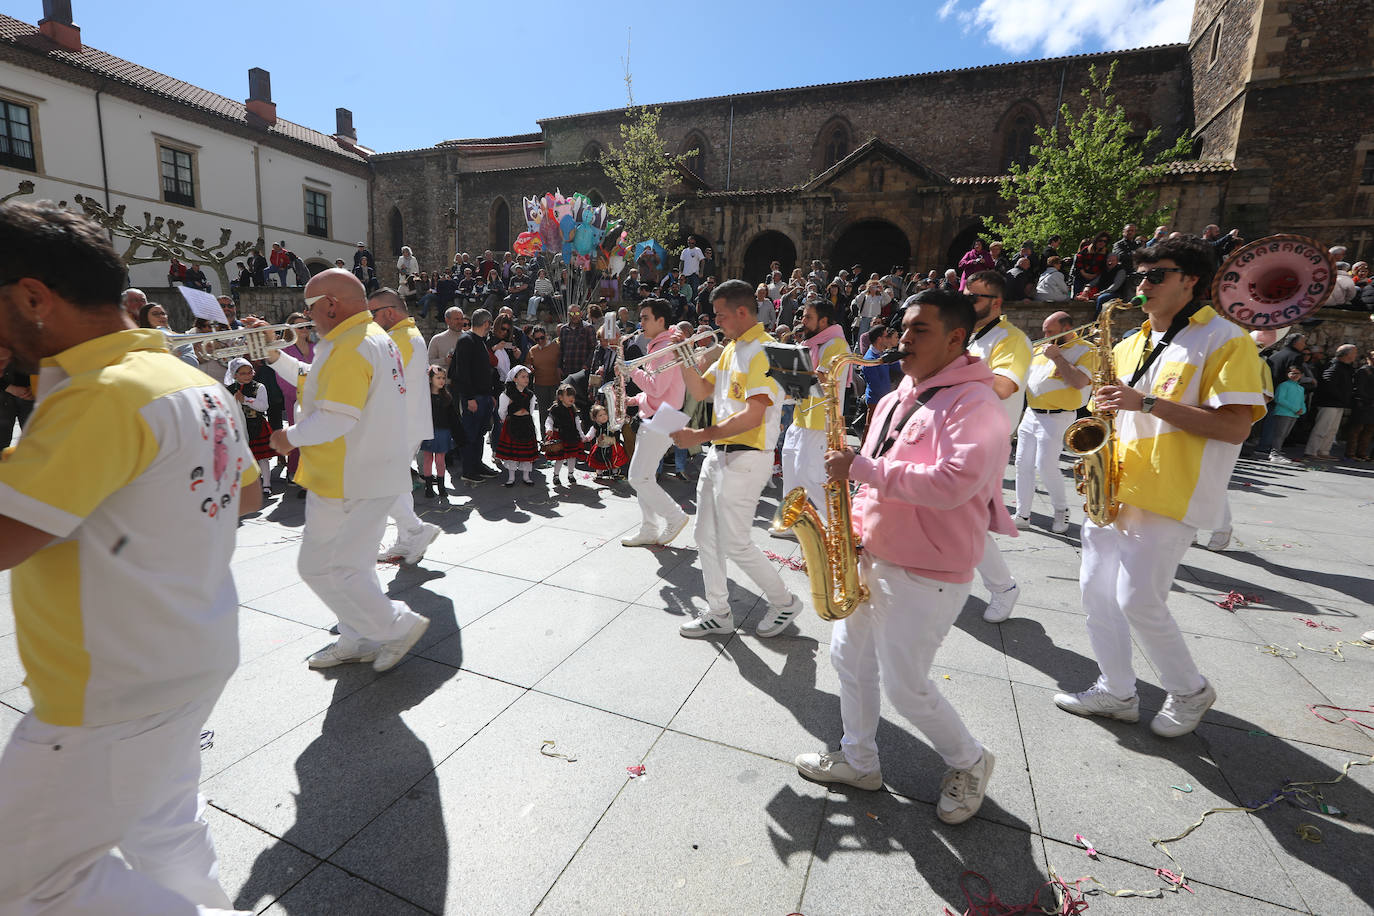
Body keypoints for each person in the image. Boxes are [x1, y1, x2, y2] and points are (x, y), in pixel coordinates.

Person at [0, 200, 260, 914]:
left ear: (32, 297)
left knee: (29, 886)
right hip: (187, 652)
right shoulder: (191, 382)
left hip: (109, 690)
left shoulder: (101, 397)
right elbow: (247, 495)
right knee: (165, 828)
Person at [793, 287, 1009, 825]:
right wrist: (853, 535)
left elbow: (954, 483)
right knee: (849, 660)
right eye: (904, 327)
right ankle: (859, 761)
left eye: (920, 331)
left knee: (907, 687)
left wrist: (860, 470)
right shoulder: (895, 396)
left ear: (957, 339)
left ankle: (971, 760)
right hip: (873, 557)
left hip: (929, 572)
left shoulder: (977, 403)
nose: (904, 338)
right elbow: (870, 479)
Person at [1053, 237, 1266, 737]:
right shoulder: (1131, 342)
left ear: (1191, 279)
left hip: (1171, 491)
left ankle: (1190, 690)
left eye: (1156, 275)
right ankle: (1116, 690)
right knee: (1095, 595)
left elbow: (1236, 426)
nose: (1142, 285)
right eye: (1139, 276)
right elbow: (1109, 404)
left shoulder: (1225, 339)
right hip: (1113, 487)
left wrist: (1144, 403)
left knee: (1138, 601)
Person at [262, 268, 430, 672]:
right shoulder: (371, 339)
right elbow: (313, 379)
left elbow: (338, 417)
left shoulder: (349, 347)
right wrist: (273, 354)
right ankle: (361, 636)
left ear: (331, 305)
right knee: (349, 568)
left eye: (309, 306)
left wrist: (289, 437)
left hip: (348, 476)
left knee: (325, 567)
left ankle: (393, 625)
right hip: (366, 473)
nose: (307, 315)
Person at [670, 279, 801, 639]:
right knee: (705, 535)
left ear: (742, 312)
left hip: (746, 456)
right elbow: (700, 389)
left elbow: (752, 416)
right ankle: (718, 612)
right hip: (720, 454)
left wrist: (698, 436)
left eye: (721, 315)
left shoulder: (762, 350)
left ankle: (785, 601)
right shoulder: (732, 348)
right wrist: (681, 357)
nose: (716, 322)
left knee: (734, 541)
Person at [963, 270, 1031, 623]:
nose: (967, 300)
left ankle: (1004, 587)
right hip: (960, 438)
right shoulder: (971, 338)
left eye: (975, 296)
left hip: (987, 441)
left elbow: (1004, 386)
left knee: (967, 519)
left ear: (996, 303)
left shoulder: (1012, 338)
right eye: (966, 293)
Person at [369, 288, 441, 565]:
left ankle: (414, 531)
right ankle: (407, 542)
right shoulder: (405, 335)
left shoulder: (399, 338)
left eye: (372, 313)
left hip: (399, 425)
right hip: (404, 423)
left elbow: (377, 379)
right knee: (395, 485)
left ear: (388, 312)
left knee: (382, 484)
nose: (369, 319)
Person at [1013, 311, 1094, 533]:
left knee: (1045, 465)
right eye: (1044, 331)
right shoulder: (1041, 349)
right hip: (1031, 414)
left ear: (1067, 328)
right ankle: (1022, 513)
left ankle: (1061, 511)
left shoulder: (1086, 350)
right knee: (1022, 464)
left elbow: (1079, 382)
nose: (1045, 336)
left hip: (1058, 416)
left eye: (1051, 332)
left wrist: (1058, 357)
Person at [621, 298, 690, 547]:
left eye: (645, 318)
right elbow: (659, 389)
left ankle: (674, 515)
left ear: (661, 320)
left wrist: (631, 370)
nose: (641, 323)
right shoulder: (659, 345)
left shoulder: (666, 348)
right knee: (645, 476)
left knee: (638, 478)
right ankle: (649, 528)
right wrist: (635, 399)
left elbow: (657, 387)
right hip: (660, 414)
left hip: (662, 417)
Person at [779, 299, 850, 535]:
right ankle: (789, 521)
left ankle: (841, 524)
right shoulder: (812, 344)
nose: (802, 321)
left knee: (810, 476)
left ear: (824, 320)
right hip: (801, 418)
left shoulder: (836, 344)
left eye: (808, 317)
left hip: (821, 423)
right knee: (790, 471)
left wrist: (787, 373)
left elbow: (820, 379)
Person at [448, 308, 501, 484]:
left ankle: (477, 465)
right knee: (470, 434)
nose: (490, 327)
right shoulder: (466, 340)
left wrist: (490, 394)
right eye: (489, 324)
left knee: (479, 433)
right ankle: (468, 469)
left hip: (483, 396)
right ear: (486, 323)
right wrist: (469, 398)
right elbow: (462, 372)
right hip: (473, 398)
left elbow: (484, 371)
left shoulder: (480, 340)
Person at [224, 357, 275, 499]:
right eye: (243, 373)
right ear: (235, 374)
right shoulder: (229, 389)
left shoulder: (259, 387)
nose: (247, 376)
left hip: (256, 425)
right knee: (245, 457)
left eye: (249, 372)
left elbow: (263, 406)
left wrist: (245, 400)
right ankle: (249, 484)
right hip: (239, 427)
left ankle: (266, 484)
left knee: (262, 457)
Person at [1303, 343, 1358, 461]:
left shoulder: (1346, 367)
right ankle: (1311, 451)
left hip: (1338, 403)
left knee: (1332, 430)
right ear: (1347, 354)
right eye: (1354, 353)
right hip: (1329, 403)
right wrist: (1340, 397)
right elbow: (1328, 383)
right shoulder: (1334, 366)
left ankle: (1323, 451)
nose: (1356, 355)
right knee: (1322, 428)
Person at [493, 365, 540, 486]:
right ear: (515, 379)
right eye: (523, 377)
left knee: (526, 452)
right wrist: (505, 419)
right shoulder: (506, 394)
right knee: (512, 453)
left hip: (526, 424)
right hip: (513, 424)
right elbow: (501, 411)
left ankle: (526, 476)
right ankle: (511, 477)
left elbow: (530, 409)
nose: (526, 379)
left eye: (527, 377)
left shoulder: (530, 394)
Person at [418, 366, 461, 497]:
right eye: (438, 378)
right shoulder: (424, 396)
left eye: (443, 378)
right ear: (431, 379)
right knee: (427, 458)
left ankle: (442, 487)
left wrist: (457, 434)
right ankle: (429, 487)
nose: (441, 381)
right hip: (428, 430)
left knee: (440, 459)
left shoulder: (447, 396)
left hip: (443, 431)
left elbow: (452, 417)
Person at [544, 382, 588, 485]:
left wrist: (582, 436)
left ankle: (571, 474)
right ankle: (556, 475)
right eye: (568, 395)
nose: (571, 398)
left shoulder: (573, 409)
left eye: (573, 395)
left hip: (572, 436)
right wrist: (549, 428)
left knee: (572, 457)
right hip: (560, 436)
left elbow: (578, 424)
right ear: (560, 397)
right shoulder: (555, 408)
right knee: (560, 458)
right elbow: (549, 420)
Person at [1267, 365, 1307, 462]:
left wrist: (1303, 410)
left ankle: (1277, 452)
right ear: (1287, 374)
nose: (1294, 375)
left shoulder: (1301, 388)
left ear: (1301, 375)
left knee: (1284, 434)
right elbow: (1279, 399)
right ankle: (1274, 453)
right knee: (1279, 434)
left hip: (1294, 414)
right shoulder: (1283, 385)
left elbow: (1302, 401)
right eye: (1292, 373)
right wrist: (1296, 408)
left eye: (1297, 373)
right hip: (1283, 412)